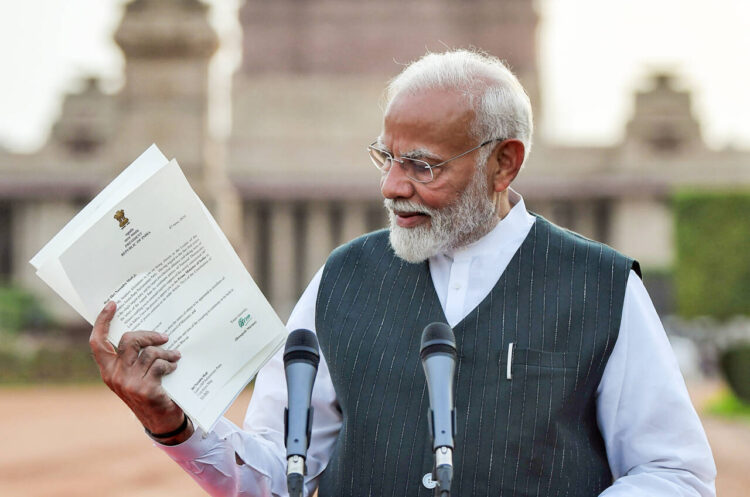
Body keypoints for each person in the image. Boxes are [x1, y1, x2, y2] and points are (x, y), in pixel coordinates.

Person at [90, 49, 716, 496]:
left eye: (423, 166)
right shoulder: (343, 278)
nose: (392, 187)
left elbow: (675, 473)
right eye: (386, 158)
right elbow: (280, 474)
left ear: (505, 163)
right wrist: (169, 421)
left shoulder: (601, 287)